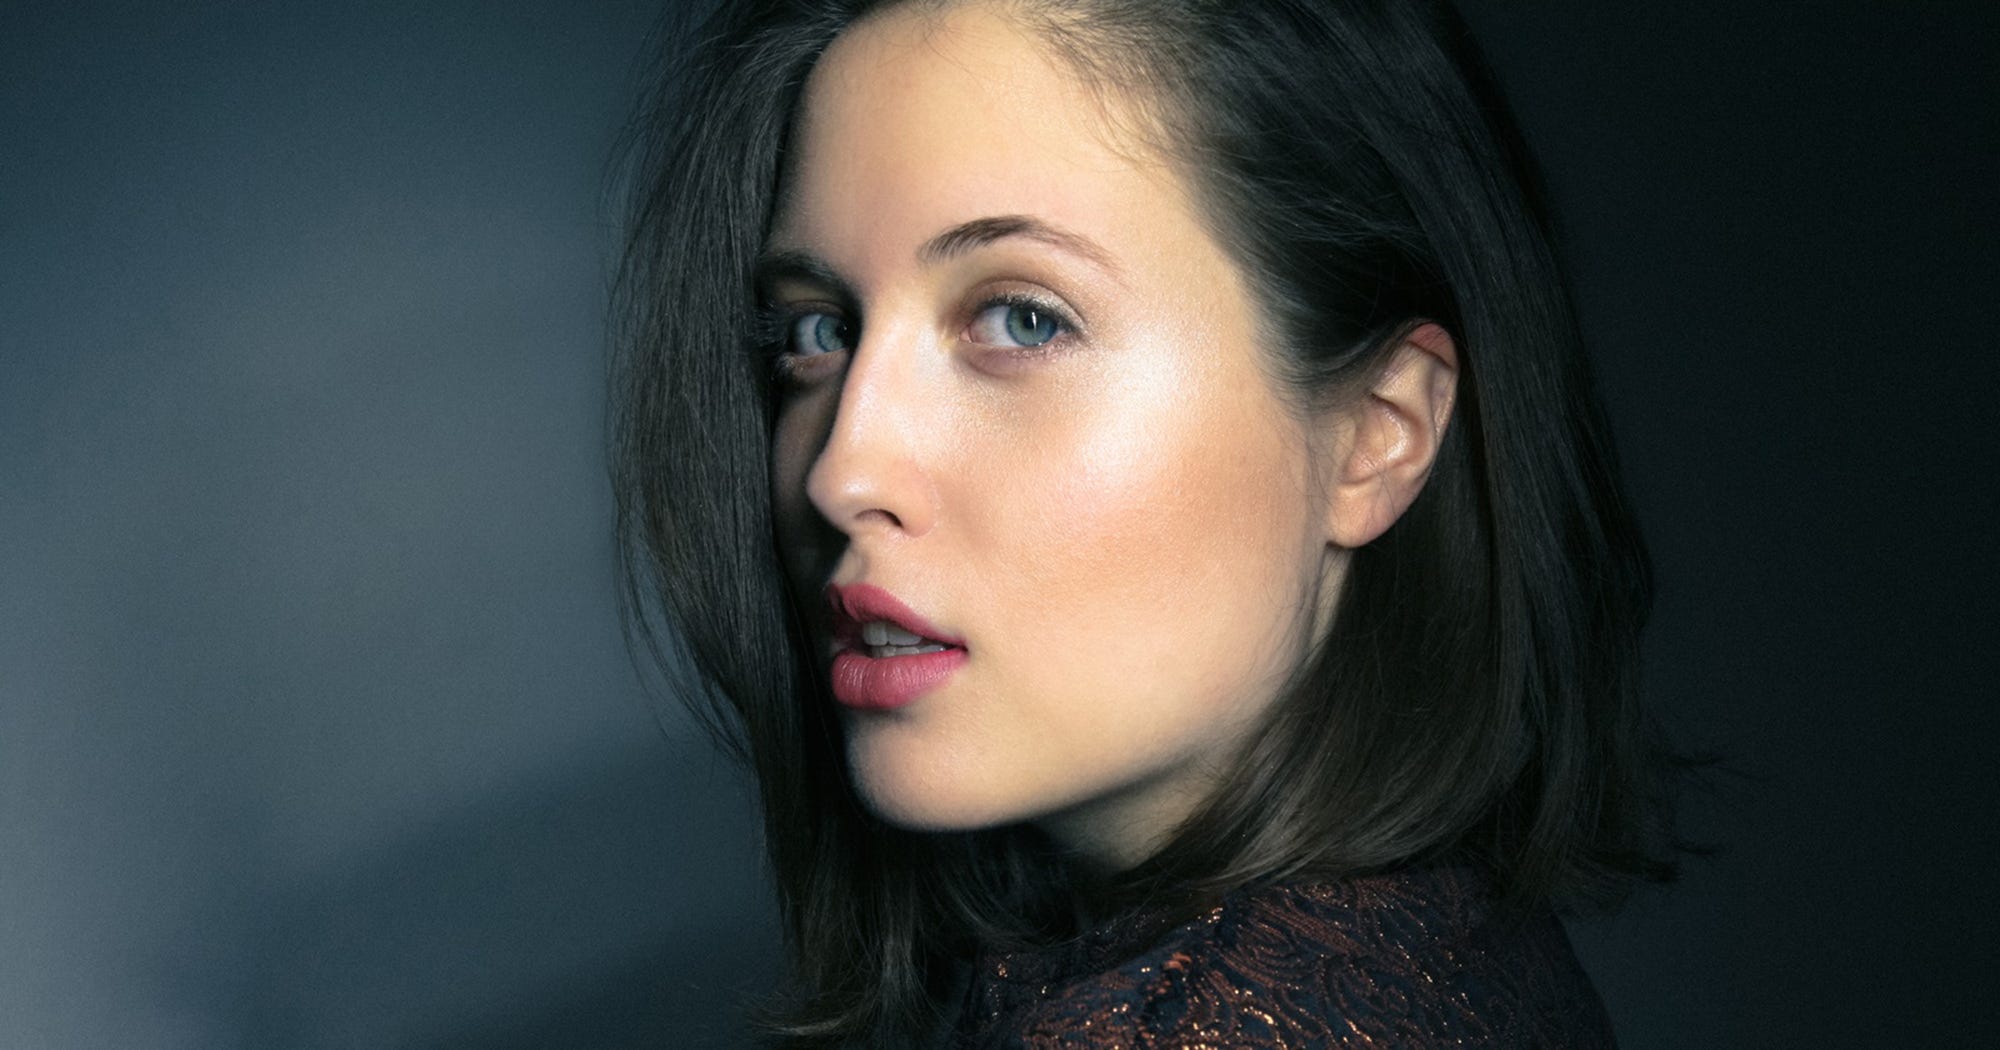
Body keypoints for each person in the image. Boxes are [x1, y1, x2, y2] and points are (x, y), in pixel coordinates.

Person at [610, 0, 1684, 1045]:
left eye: (1021, 319)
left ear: (1376, 434)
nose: (840, 471)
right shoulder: (1441, 946)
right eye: (816, 331)